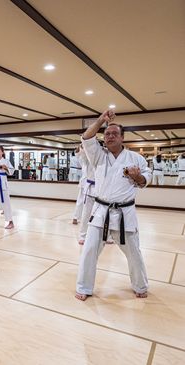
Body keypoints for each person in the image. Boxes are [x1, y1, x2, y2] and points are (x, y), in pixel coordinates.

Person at [75, 110, 151, 301]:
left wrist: (137, 176)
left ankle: (140, 285)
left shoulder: (136, 159)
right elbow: (86, 137)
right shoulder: (98, 155)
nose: (110, 136)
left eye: (114, 133)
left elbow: (145, 180)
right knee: (90, 250)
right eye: (107, 134)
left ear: (122, 137)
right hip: (101, 211)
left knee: (134, 253)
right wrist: (101, 120)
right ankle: (84, 287)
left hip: (125, 213)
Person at [76, 145, 96, 245]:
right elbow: (81, 153)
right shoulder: (87, 157)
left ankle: (108, 236)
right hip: (90, 187)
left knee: (106, 214)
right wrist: (83, 144)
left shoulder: (105, 157)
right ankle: (83, 235)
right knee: (86, 213)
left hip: (103, 189)